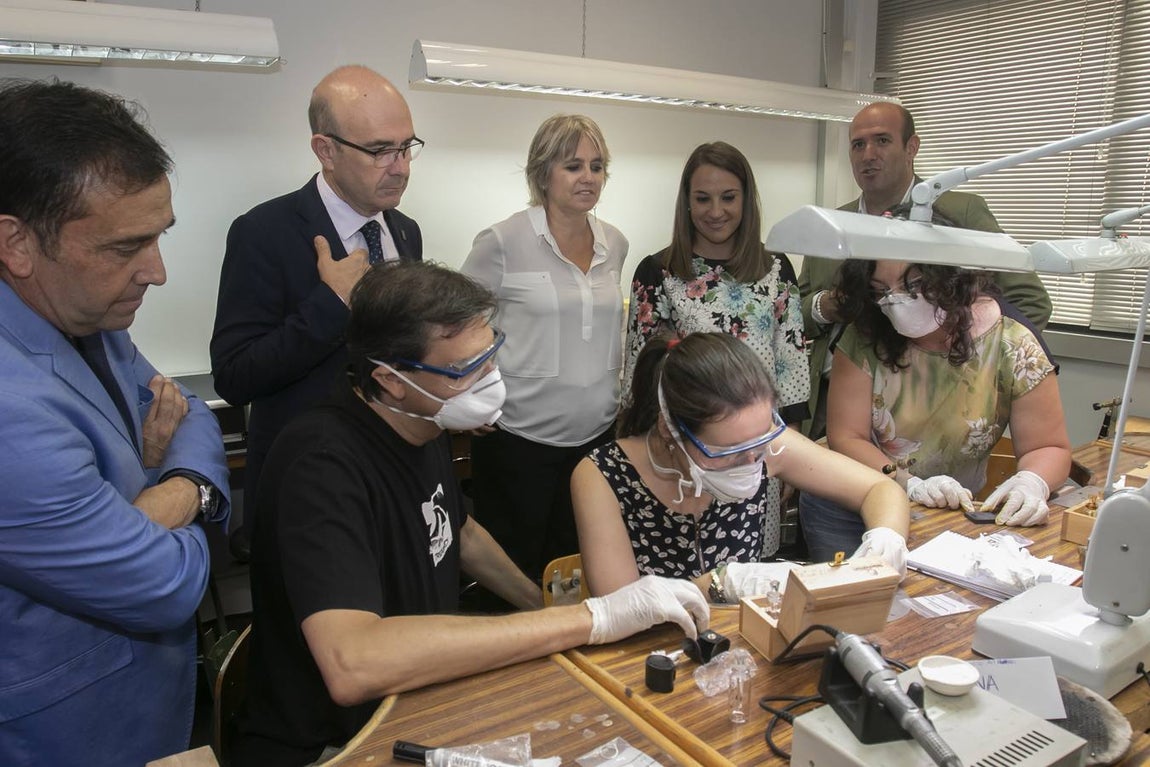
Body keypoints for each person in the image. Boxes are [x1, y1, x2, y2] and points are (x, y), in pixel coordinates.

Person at [236, 261, 707, 766]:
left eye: (491, 354)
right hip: (335, 745)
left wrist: (537, 605)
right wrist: (591, 618)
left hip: (417, 703)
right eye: (466, 369)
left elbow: (458, 531)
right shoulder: (323, 464)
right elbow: (354, 664)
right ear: (390, 380)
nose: (491, 379)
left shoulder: (423, 424)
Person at [0, 79, 230, 767]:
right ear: (15, 244)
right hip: (62, 738)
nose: (155, 272)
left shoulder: (85, 317)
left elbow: (184, 413)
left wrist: (171, 485)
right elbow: (164, 584)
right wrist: (169, 481)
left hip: (144, 714)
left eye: (158, 238)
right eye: (125, 247)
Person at [211, 65, 422, 558]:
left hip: (395, 478)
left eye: (407, 146)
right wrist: (331, 305)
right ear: (325, 150)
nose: (401, 166)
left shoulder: (405, 231)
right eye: (379, 150)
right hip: (309, 492)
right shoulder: (264, 232)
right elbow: (235, 375)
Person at [572, 332, 909, 601]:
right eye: (730, 451)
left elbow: (880, 489)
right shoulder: (603, 476)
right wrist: (718, 584)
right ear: (670, 430)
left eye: (760, 440)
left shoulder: (764, 447)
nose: (751, 461)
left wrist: (886, 538)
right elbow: (623, 607)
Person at [798, 101, 1052, 439]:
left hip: (931, 406)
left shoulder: (960, 214)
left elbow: (1028, 301)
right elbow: (793, 316)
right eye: (858, 144)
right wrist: (826, 305)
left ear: (911, 147)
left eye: (882, 140)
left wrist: (967, 368)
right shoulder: (830, 225)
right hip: (832, 404)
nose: (868, 154)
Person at [800, 259, 1072, 560]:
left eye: (913, 285)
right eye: (881, 291)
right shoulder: (865, 334)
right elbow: (847, 437)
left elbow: (1048, 446)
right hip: (848, 503)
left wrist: (1032, 482)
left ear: (950, 276)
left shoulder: (1012, 342)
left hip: (945, 512)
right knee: (852, 596)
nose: (897, 301)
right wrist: (908, 483)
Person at [461, 114, 628, 581]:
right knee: (516, 575)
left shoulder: (614, 243)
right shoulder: (502, 241)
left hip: (595, 439)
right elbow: (455, 321)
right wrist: (470, 393)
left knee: (580, 570)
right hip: (519, 441)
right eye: (573, 166)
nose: (588, 178)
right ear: (542, 173)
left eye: (597, 167)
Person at [624, 142, 809, 541]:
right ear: (686, 203)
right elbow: (641, 377)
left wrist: (792, 455)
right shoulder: (659, 272)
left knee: (751, 574)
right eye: (702, 198)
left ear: (746, 201)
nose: (716, 211)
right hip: (684, 452)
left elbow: (790, 367)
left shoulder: (776, 269)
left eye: (728, 198)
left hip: (760, 449)